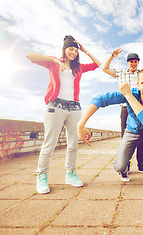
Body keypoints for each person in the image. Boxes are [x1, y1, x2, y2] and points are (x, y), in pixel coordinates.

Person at [77, 67, 143, 231]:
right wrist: (81, 123)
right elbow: (100, 99)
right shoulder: (134, 92)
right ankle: (124, 168)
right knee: (120, 166)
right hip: (131, 130)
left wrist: (128, 95)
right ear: (138, 83)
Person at [26, 35, 101, 194]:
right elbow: (30, 56)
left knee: (73, 144)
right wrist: (54, 61)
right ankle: (42, 175)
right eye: (70, 49)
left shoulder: (78, 67)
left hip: (74, 108)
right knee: (50, 143)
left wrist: (85, 50)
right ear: (64, 49)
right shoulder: (53, 62)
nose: (73, 52)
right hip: (55, 106)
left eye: (75, 50)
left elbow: (98, 64)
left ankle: (70, 174)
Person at [102, 48, 143, 180]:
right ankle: (125, 166)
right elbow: (105, 68)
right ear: (128, 62)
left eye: (135, 61)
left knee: (142, 136)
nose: (133, 63)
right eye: (131, 61)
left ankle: (142, 164)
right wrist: (112, 55)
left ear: (138, 63)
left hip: (141, 108)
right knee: (126, 136)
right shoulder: (121, 73)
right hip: (126, 107)